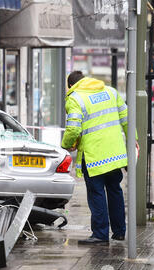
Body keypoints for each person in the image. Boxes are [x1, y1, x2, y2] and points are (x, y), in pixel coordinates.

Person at [61, 71, 139, 245]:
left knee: (96, 193)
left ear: (71, 85)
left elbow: (73, 128)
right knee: (114, 190)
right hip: (115, 154)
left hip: (94, 156)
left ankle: (100, 234)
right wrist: (133, 140)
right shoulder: (110, 92)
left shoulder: (75, 98)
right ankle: (119, 231)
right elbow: (127, 119)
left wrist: (65, 144)